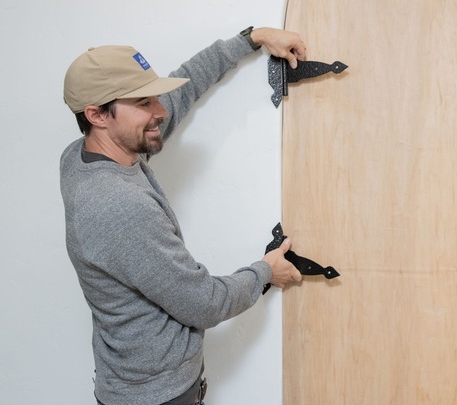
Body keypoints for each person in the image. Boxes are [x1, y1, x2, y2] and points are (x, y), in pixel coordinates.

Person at [60, 26, 307, 405]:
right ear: (96, 114)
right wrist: (265, 272)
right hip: (158, 397)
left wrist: (250, 39)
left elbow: (179, 96)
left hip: (139, 386)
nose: (159, 110)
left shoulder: (85, 155)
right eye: (143, 102)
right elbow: (203, 303)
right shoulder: (117, 206)